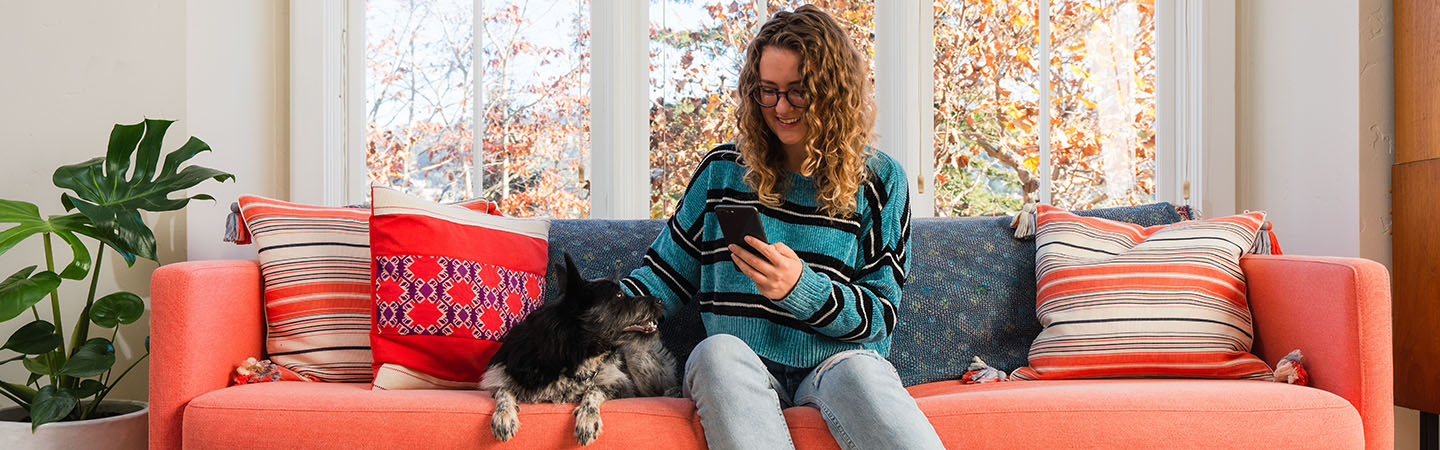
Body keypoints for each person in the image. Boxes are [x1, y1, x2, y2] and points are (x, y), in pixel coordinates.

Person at [620, 5, 944, 450]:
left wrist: (802, 289)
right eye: (767, 92)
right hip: (740, 364)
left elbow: (880, 319)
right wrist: (583, 319)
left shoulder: (880, 180)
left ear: (833, 93)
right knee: (715, 354)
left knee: (862, 372)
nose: (780, 108)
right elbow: (661, 279)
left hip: (836, 365)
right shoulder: (723, 171)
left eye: (798, 93)